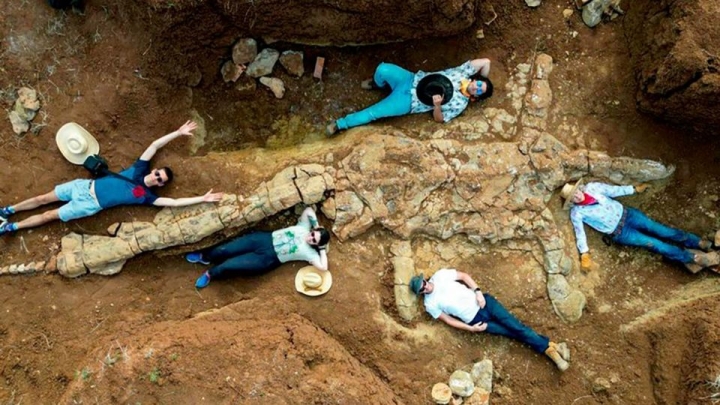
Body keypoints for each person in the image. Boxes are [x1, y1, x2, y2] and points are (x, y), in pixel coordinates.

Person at [0, 121, 224, 236]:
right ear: (153, 171)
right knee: (42, 198)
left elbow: (174, 203)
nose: (156, 177)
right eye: (158, 173)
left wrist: (202, 199)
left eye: (160, 179)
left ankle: (12, 227)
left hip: (90, 204)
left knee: (49, 214)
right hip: (83, 186)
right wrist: (177, 133)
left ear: (161, 184)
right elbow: (155, 145)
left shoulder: (146, 197)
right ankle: (9, 210)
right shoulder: (140, 168)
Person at [409, 268, 571, 371]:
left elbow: (464, 276)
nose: (425, 287)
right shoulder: (430, 304)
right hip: (475, 321)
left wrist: (478, 292)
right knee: (512, 333)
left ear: (424, 279)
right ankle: (553, 346)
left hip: (485, 303)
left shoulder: (440, 276)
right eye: (421, 289)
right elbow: (449, 320)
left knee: (517, 327)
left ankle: (551, 352)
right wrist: (471, 329)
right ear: (421, 293)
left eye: (423, 283)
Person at [560, 180, 719, 272]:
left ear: (579, 188)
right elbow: (579, 232)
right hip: (622, 233)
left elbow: (613, 191)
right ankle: (695, 259)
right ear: (571, 201)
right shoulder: (577, 213)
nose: (577, 196)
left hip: (629, 215)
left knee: (663, 231)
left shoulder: (593, 188)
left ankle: (699, 243)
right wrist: (584, 253)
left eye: (576, 191)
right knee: (657, 245)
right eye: (573, 197)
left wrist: (633, 189)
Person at [326, 58, 493, 136]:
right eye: (479, 84)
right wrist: (485, 79)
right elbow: (486, 62)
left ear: (475, 98)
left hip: (409, 101)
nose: (477, 88)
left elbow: (440, 120)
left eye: (479, 91)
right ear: (476, 79)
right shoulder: (463, 73)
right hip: (410, 79)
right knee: (382, 69)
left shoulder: (460, 104)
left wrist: (436, 105)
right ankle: (379, 85)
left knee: (373, 113)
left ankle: (341, 124)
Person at [187, 206, 330, 289]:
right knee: (225, 249)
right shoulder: (304, 227)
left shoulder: (310, 254)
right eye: (313, 234)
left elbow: (323, 267)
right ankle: (205, 257)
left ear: (316, 245)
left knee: (229, 265)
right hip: (263, 239)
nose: (310, 238)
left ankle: (210, 274)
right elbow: (309, 210)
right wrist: (316, 225)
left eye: (314, 241)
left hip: (267, 259)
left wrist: (322, 249)